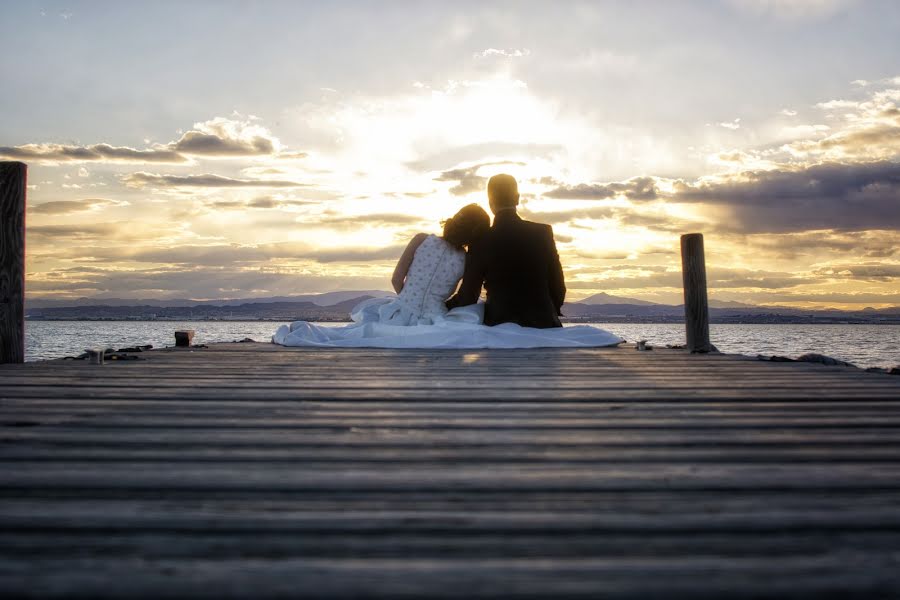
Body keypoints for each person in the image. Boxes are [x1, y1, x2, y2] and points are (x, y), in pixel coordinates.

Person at [446, 174, 566, 328]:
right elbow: (558, 286)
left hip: (499, 325)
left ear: (490, 203)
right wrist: (548, 312)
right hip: (544, 324)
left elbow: (468, 296)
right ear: (517, 198)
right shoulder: (542, 232)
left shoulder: (481, 240)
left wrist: (441, 308)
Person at [350, 203, 490, 325]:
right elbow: (460, 293)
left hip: (399, 314)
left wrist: (407, 300)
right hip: (436, 320)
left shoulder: (421, 240)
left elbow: (396, 279)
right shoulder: (466, 259)